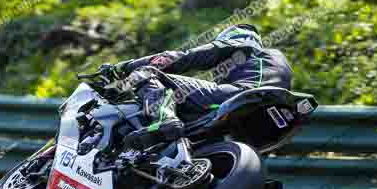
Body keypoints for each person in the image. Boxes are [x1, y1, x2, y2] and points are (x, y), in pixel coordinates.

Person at [109, 24, 293, 150]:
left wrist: (123, 68)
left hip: (241, 96)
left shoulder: (243, 45)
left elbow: (184, 57)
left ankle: (165, 120)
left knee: (148, 73)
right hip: (267, 121)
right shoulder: (273, 63)